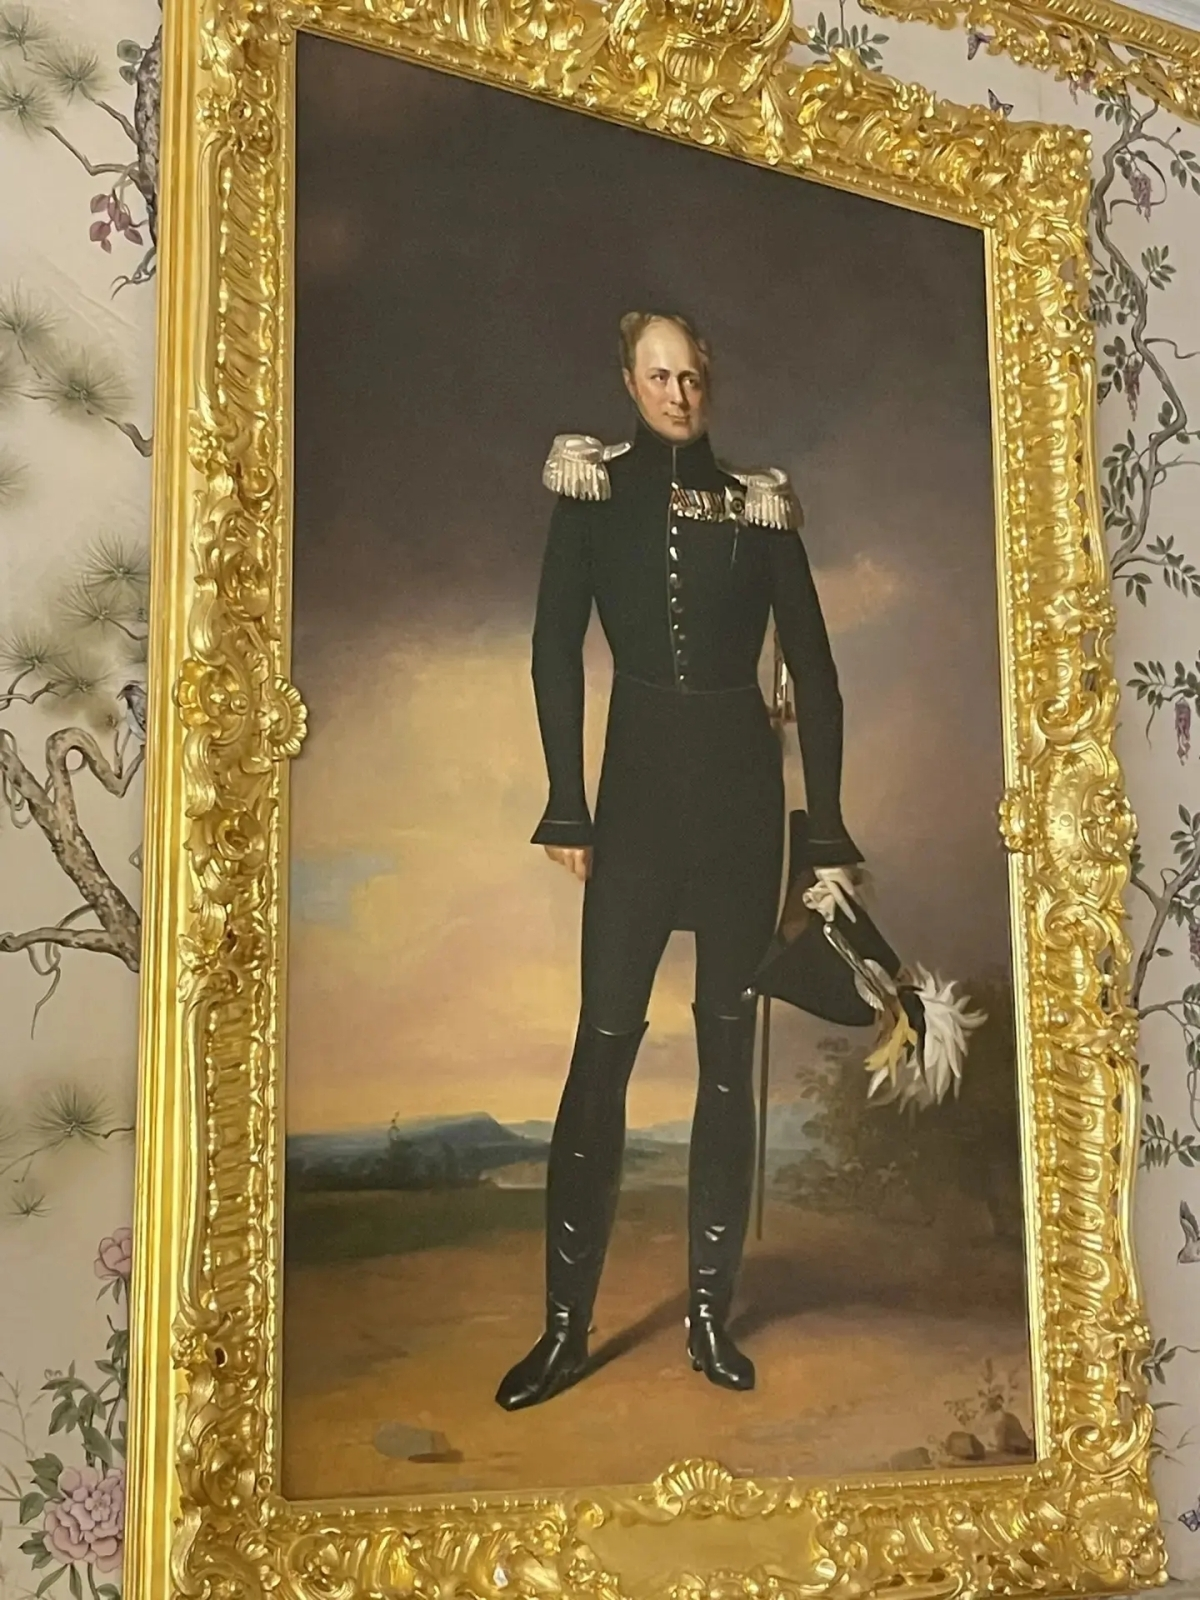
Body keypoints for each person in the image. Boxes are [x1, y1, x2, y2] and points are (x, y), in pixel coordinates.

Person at [495, 311, 862, 1412]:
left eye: (691, 375)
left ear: (712, 380)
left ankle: (710, 1317)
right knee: (602, 1047)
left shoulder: (761, 506)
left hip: (742, 814)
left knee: (724, 1058)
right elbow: (553, 648)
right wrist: (567, 807)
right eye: (658, 376)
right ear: (628, 380)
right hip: (637, 812)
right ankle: (565, 1330)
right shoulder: (590, 492)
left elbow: (817, 670)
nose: (678, 394)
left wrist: (827, 829)